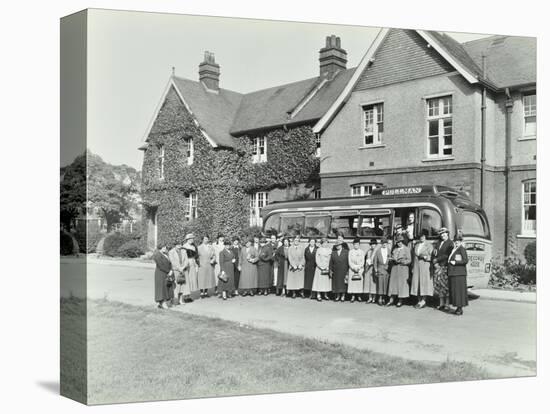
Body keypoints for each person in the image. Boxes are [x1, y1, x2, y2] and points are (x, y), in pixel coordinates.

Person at [410, 230, 434, 308]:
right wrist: (413, 266)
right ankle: (419, 300)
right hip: (417, 266)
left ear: (425, 237)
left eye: (423, 236)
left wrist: (426, 257)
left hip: (425, 265)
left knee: (424, 283)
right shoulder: (417, 245)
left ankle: (423, 300)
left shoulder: (429, 245)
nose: (422, 238)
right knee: (417, 283)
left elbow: (432, 256)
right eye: (420, 236)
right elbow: (414, 256)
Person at [386, 235, 411, 307]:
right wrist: (391, 259)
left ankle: (400, 300)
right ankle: (391, 300)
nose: (399, 243)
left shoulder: (406, 249)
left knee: (401, 285)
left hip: (403, 269)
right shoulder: (395, 250)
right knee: (393, 284)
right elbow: (392, 257)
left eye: (400, 242)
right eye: (397, 242)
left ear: (403, 242)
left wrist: (402, 261)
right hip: (395, 268)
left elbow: (409, 260)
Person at [433, 227, 454, 311]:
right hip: (438, 267)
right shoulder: (438, 243)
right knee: (439, 285)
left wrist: (437, 260)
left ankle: (447, 304)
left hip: (445, 266)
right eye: (441, 234)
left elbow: (448, 255)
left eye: (444, 233)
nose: (442, 235)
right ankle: (441, 303)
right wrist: (435, 263)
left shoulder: (450, 243)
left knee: (446, 286)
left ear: (447, 233)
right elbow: (434, 253)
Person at [448, 235, 469, 316]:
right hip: (454, 273)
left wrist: (455, 262)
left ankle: (460, 309)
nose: (457, 242)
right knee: (456, 291)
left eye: (458, 241)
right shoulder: (454, 249)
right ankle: (457, 308)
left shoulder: (462, 249)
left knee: (459, 291)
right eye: (455, 241)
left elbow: (465, 260)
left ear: (461, 242)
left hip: (459, 274)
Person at [168, 240, 189, 305]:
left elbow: (186, 260)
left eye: (180, 244)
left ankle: (181, 299)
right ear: (175, 245)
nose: (179, 245)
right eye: (177, 244)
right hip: (176, 270)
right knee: (176, 285)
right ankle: (174, 300)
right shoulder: (171, 252)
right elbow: (172, 261)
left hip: (183, 270)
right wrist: (179, 268)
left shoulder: (184, 251)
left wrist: (183, 267)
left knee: (182, 285)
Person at [152, 243, 172, 309]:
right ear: (160, 248)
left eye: (165, 247)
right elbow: (160, 265)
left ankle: (162, 303)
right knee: (161, 289)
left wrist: (170, 270)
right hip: (160, 273)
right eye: (163, 247)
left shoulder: (165, 254)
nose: (165, 249)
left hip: (165, 273)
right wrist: (168, 271)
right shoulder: (157, 255)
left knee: (165, 287)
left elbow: (169, 263)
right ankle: (162, 303)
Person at [373, 238, 391, 305]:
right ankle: (380, 298)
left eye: (385, 243)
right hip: (380, 269)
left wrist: (388, 266)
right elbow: (375, 261)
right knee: (380, 284)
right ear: (381, 244)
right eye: (383, 243)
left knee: (386, 284)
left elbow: (390, 259)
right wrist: (376, 269)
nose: (384, 244)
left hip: (386, 269)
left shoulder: (389, 250)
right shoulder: (378, 251)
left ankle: (384, 298)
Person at [347, 237, 365, 303]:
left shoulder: (362, 252)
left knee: (358, 283)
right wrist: (353, 267)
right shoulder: (351, 252)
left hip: (359, 269)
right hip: (352, 269)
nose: (356, 246)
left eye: (357, 244)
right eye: (355, 244)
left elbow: (363, 261)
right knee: (353, 283)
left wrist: (358, 267)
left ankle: (359, 296)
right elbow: (349, 261)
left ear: (359, 245)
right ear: (353, 245)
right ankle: (353, 296)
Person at [182, 233, 199, 301]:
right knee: (187, 279)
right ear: (187, 239)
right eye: (190, 239)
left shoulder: (193, 247)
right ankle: (185, 296)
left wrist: (196, 264)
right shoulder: (184, 246)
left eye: (192, 239)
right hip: (187, 263)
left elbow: (195, 256)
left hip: (192, 263)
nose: (192, 240)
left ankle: (189, 295)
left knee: (192, 279)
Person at [363, 239, 378, 303]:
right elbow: (365, 259)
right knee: (368, 283)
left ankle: (374, 298)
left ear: (376, 245)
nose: (372, 245)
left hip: (374, 268)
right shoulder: (368, 251)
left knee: (374, 283)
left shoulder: (377, 251)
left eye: (374, 244)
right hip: (368, 268)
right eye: (371, 244)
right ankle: (370, 297)